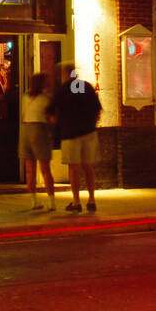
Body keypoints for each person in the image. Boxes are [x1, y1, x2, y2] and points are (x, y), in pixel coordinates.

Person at [50, 62, 102, 212]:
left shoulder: (62, 91)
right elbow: (97, 110)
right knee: (88, 167)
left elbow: (52, 113)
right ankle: (91, 200)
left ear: (65, 74)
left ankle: (76, 202)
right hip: (89, 133)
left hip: (70, 134)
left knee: (73, 168)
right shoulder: (87, 87)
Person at [19, 72, 55, 210]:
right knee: (45, 169)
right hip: (39, 130)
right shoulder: (46, 99)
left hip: (25, 130)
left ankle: (34, 201)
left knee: (29, 170)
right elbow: (51, 118)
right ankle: (51, 202)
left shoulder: (25, 96)